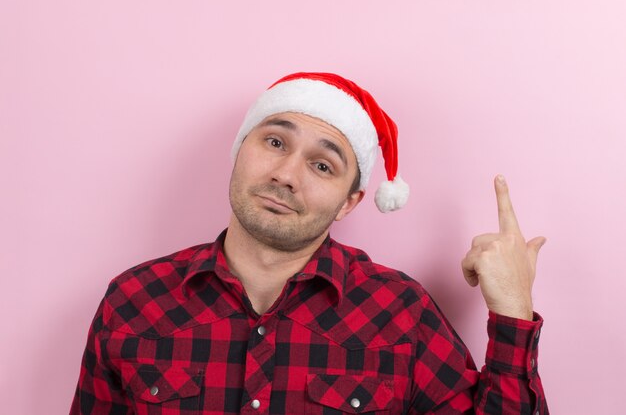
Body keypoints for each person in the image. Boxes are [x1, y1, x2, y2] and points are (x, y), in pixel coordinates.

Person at [71, 72, 548, 414]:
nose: (286, 175)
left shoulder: (399, 312)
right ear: (240, 151)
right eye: (275, 143)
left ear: (349, 202)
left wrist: (513, 312)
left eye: (323, 166)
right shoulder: (134, 301)